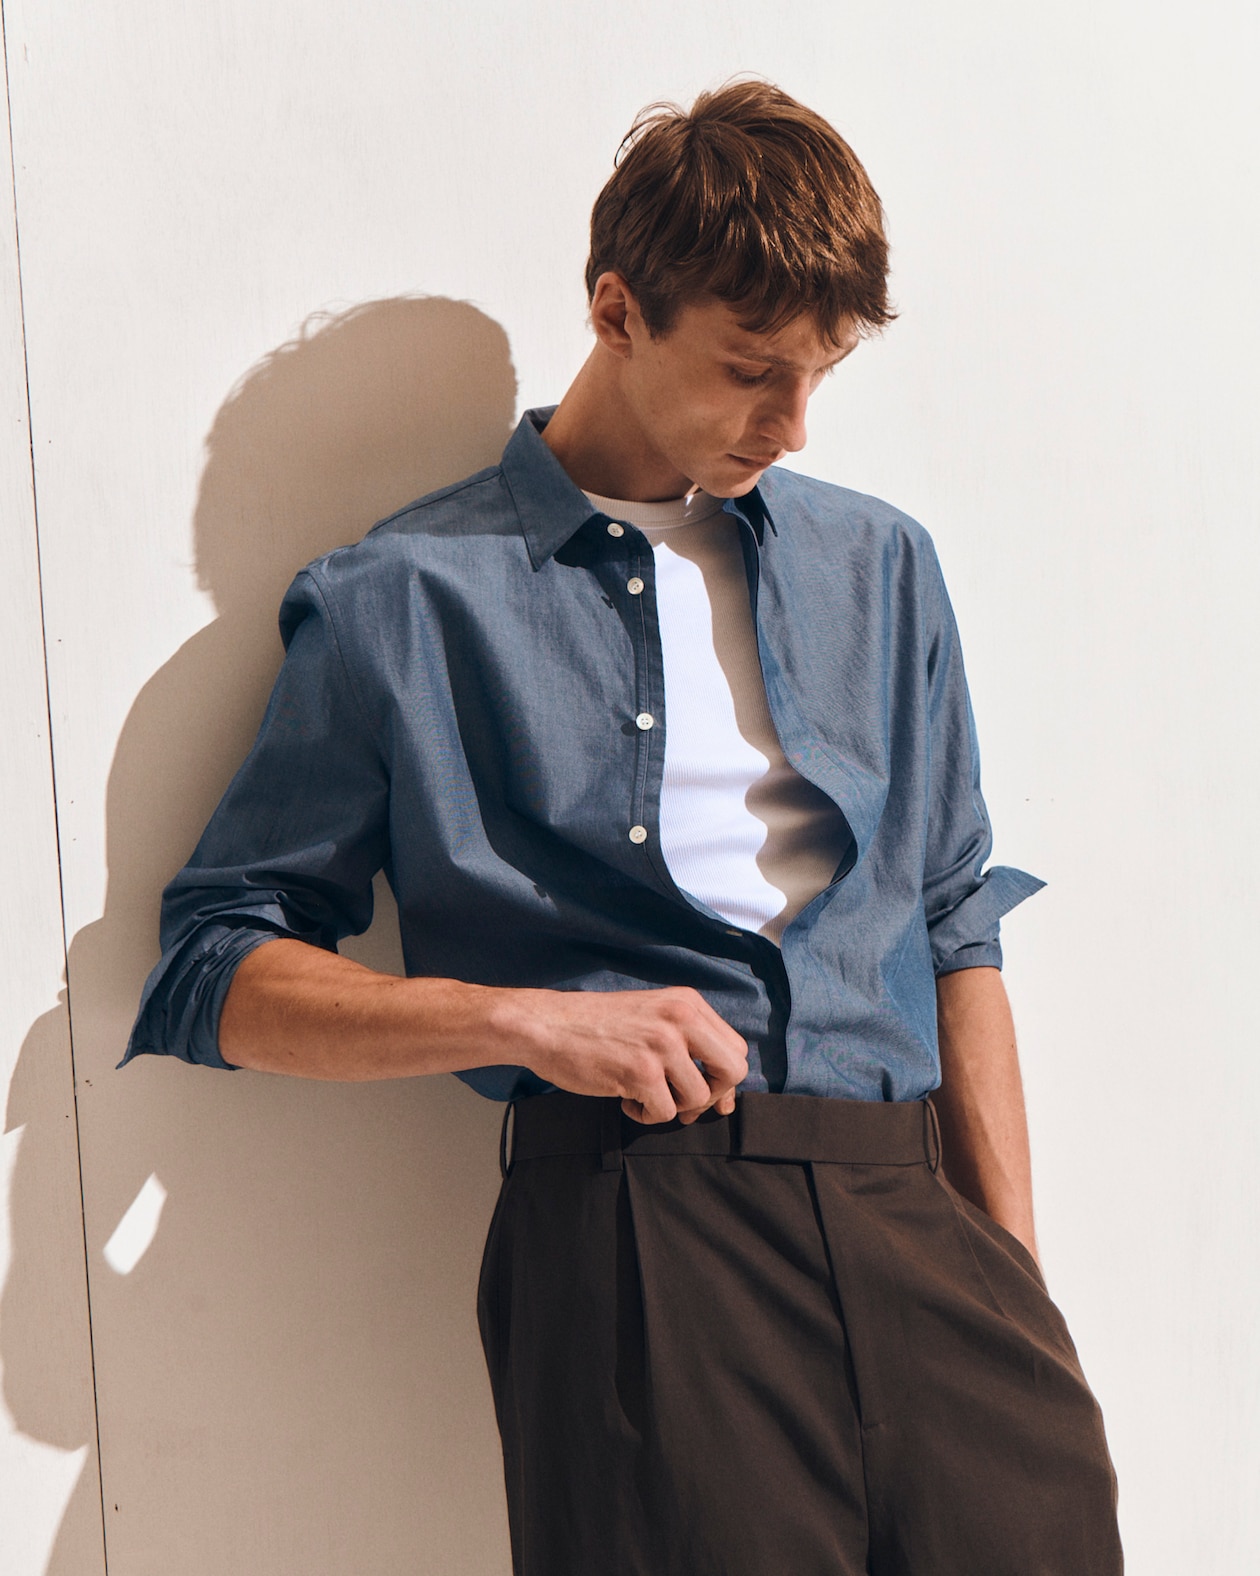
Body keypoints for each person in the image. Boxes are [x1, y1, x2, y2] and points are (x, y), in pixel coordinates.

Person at [125, 79, 1122, 1575]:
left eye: (821, 375)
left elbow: (953, 921)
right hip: (639, 1238)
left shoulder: (884, 571)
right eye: (750, 371)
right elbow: (215, 967)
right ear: (616, 311)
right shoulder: (407, 599)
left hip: (922, 1233)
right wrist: (526, 1024)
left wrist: (1012, 1277)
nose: (789, 425)